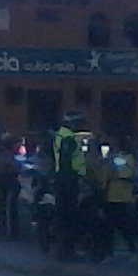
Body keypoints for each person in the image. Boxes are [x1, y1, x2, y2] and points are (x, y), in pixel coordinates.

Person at [51, 111, 87, 260]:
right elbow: (67, 162)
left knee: (64, 216)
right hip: (68, 181)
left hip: (63, 180)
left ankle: (63, 250)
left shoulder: (61, 135)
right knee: (69, 216)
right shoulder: (68, 138)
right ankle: (67, 251)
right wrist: (73, 181)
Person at [104, 136, 138, 253]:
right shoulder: (113, 157)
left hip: (124, 197)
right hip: (113, 196)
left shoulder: (127, 158)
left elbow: (126, 174)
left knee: (127, 226)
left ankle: (131, 248)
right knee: (111, 226)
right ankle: (110, 249)